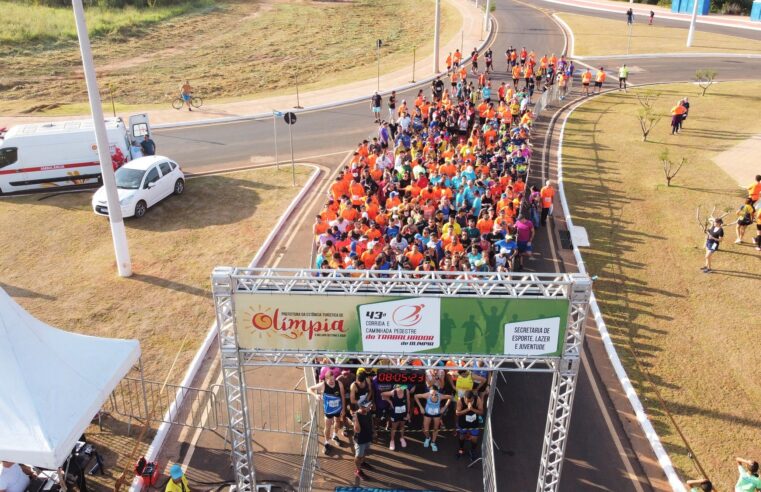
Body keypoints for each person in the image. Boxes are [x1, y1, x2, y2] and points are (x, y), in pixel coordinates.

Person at [308, 367, 347, 454]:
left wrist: (344, 409)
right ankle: (326, 442)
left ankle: (335, 435)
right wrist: (315, 395)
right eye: (330, 380)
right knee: (328, 427)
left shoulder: (339, 384)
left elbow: (343, 396)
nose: (332, 381)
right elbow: (309, 389)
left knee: (337, 423)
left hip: (338, 409)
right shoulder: (323, 385)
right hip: (328, 411)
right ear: (325, 379)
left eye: (333, 379)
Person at [415, 385, 452, 452]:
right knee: (425, 429)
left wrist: (444, 408)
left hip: (437, 414)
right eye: (432, 394)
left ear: (437, 392)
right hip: (427, 414)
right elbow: (416, 396)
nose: (433, 396)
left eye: (435, 394)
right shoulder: (427, 395)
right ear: (429, 392)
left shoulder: (440, 396)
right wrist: (421, 407)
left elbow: (450, 397)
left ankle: (433, 442)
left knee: (435, 428)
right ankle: (428, 438)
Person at [381, 384, 411, 451]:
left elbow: (408, 402)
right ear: (397, 386)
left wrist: (408, 413)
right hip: (395, 413)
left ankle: (402, 438)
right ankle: (392, 441)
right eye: (399, 386)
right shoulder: (393, 392)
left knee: (402, 426)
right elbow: (382, 394)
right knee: (394, 427)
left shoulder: (406, 391)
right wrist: (390, 402)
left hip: (404, 412)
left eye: (403, 386)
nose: (401, 388)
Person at [455, 391, 483, 460]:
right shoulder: (460, 401)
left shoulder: (478, 399)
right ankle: (461, 449)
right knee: (462, 437)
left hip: (474, 423)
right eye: (467, 401)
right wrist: (467, 409)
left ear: (473, 398)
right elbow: (457, 413)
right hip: (463, 422)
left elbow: (481, 412)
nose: (469, 403)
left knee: (474, 439)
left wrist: (472, 409)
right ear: (464, 398)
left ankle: (472, 450)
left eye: (470, 401)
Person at [352, 395, 374, 481]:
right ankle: (358, 470)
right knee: (358, 456)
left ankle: (363, 462)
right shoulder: (356, 416)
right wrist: (356, 418)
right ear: (362, 407)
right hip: (360, 440)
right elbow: (357, 430)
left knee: (365, 452)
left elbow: (370, 421)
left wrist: (373, 431)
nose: (370, 406)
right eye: (368, 405)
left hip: (368, 437)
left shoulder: (368, 412)